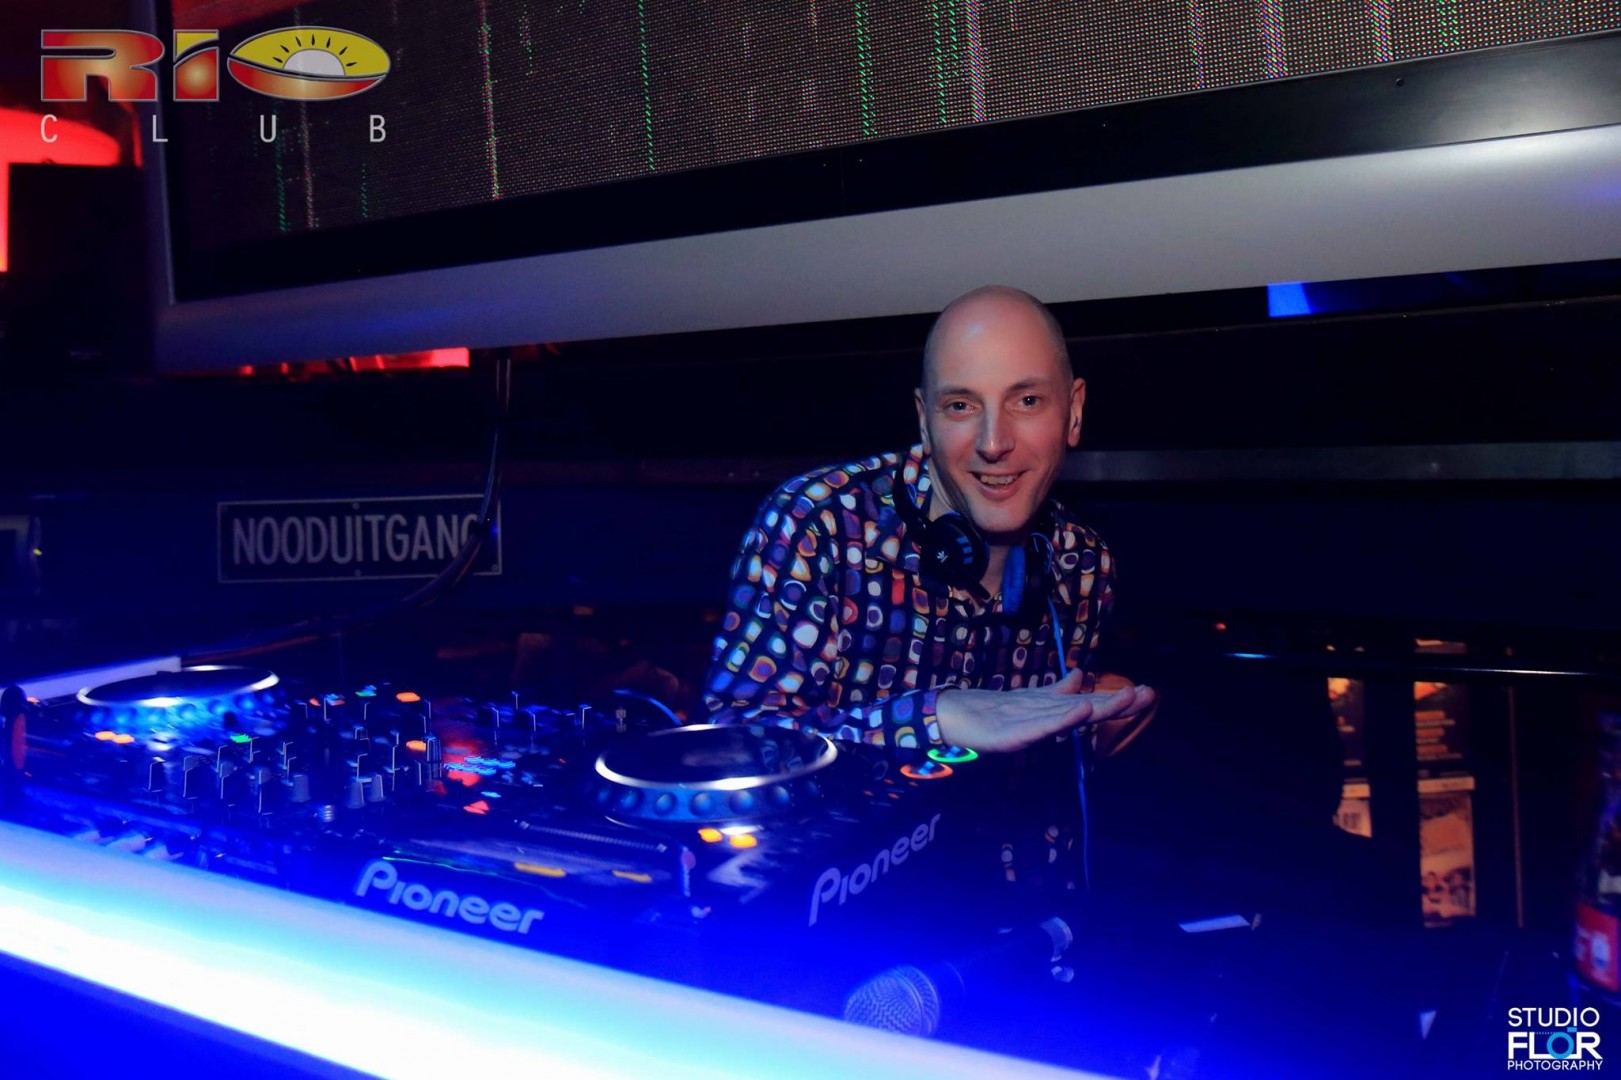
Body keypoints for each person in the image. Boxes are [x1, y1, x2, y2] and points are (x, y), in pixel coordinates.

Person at [701, 284, 1155, 757]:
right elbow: (735, 742)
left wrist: (1085, 739)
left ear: (1074, 412)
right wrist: (935, 719)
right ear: (925, 420)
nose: (993, 443)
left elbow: (1038, 771)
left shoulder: (1085, 564)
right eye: (961, 406)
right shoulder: (820, 525)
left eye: (1026, 401)